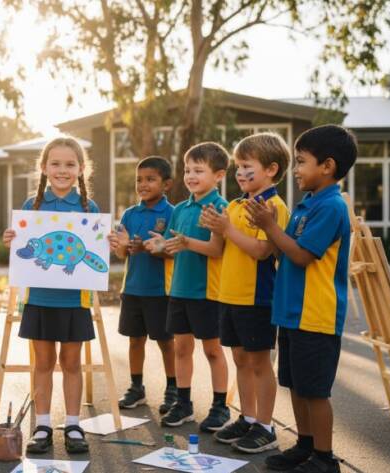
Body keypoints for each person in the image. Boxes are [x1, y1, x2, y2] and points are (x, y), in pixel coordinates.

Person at [246, 124, 357, 473]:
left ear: (327, 166)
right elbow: (283, 250)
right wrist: (271, 233)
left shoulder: (331, 207)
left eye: (301, 162)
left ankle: (325, 458)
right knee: (295, 384)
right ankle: (305, 445)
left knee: (315, 390)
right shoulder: (307, 204)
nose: (295, 169)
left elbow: (302, 256)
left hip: (315, 313)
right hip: (292, 312)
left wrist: (270, 227)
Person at [2, 137, 98, 455]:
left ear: (81, 169)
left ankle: (73, 424)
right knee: (43, 363)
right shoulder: (33, 206)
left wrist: (107, 240)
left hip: (74, 301)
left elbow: (94, 248)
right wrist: (12, 239)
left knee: (71, 364)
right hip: (39, 299)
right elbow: (26, 250)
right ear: (43, 168)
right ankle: (42, 425)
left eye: (70, 164)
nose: (62, 170)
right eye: (55, 164)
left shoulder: (88, 208)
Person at [201, 133, 291, 453]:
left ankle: (265, 427)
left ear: (270, 169)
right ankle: (248, 417)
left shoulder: (273, 206)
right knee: (240, 358)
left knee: (258, 361)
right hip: (230, 295)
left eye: (246, 166)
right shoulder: (237, 204)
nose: (239, 172)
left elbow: (261, 251)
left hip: (257, 297)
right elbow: (226, 246)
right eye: (238, 166)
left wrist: (227, 230)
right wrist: (217, 226)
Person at [144, 142, 230, 432]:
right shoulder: (180, 208)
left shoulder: (221, 208)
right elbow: (171, 246)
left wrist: (185, 243)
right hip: (179, 290)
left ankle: (220, 407)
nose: (191, 176)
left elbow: (216, 250)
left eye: (198, 170)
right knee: (182, 349)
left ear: (218, 175)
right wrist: (158, 244)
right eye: (187, 170)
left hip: (207, 291)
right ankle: (184, 403)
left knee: (213, 351)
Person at [108, 156, 177, 414]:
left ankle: (173, 389)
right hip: (133, 288)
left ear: (166, 184)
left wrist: (153, 249)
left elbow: (172, 251)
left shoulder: (173, 213)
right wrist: (124, 246)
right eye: (139, 179)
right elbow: (121, 254)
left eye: (150, 179)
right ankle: (136, 388)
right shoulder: (129, 213)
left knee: (165, 341)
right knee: (134, 340)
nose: (143, 184)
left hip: (161, 290)